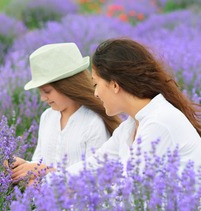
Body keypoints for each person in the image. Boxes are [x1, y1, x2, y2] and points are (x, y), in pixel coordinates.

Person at [67, 38, 201, 181]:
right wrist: (51, 178)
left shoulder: (159, 122)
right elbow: (96, 165)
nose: (96, 93)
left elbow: (133, 188)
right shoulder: (130, 126)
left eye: (96, 84)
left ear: (114, 85)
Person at [10, 42, 121, 183]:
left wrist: (45, 171)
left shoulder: (93, 122)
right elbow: (39, 162)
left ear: (68, 86)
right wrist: (23, 165)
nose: (43, 98)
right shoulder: (47, 117)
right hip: (43, 202)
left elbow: (96, 177)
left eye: (47, 91)